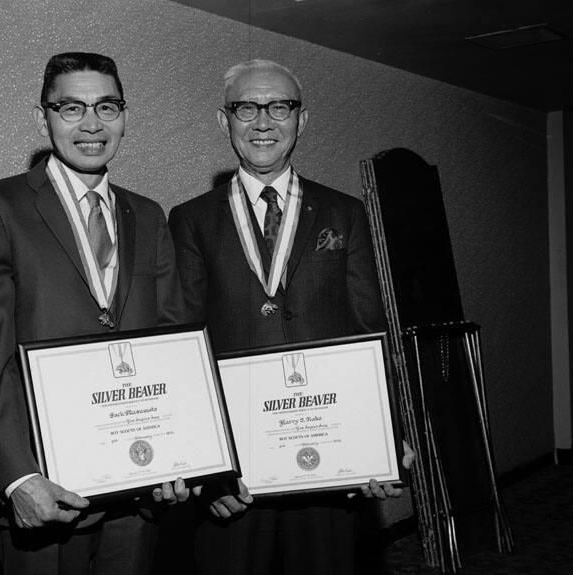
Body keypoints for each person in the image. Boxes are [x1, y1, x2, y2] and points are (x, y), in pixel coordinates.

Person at [167, 59, 413, 574]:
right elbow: (184, 347)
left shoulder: (345, 213)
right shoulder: (191, 220)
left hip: (328, 454)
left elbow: (371, 328)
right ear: (223, 121)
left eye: (279, 107)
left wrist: (387, 433)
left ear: (302, 120)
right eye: (246, 108)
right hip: (237, 474)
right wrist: (207, 467)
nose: (263, 122)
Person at [0, 52, 188, 575]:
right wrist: (16, 478)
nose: (91, 124)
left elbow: (171, 344)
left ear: (124, 117)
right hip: (44, 494)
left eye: (107, 107)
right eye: (71, 108)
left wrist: (183, 456)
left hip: (137, 491)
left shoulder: (148, 216)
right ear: (44, 119)